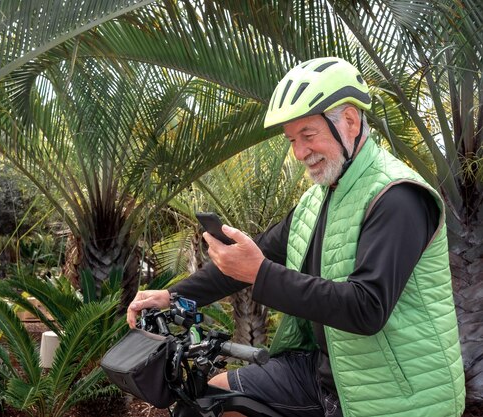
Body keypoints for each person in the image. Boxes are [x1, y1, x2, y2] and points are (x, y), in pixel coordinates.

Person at [127, 57, 465, 417]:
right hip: (322, 374)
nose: (300, 153)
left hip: (393, 393)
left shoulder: (397, 197)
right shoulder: (318, 199)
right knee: (210, 402)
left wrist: (259, 273)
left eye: (308, 135)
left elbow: (367, 309)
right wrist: (171, 295)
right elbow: (254, 256)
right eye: (292, 139)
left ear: (349, 121)